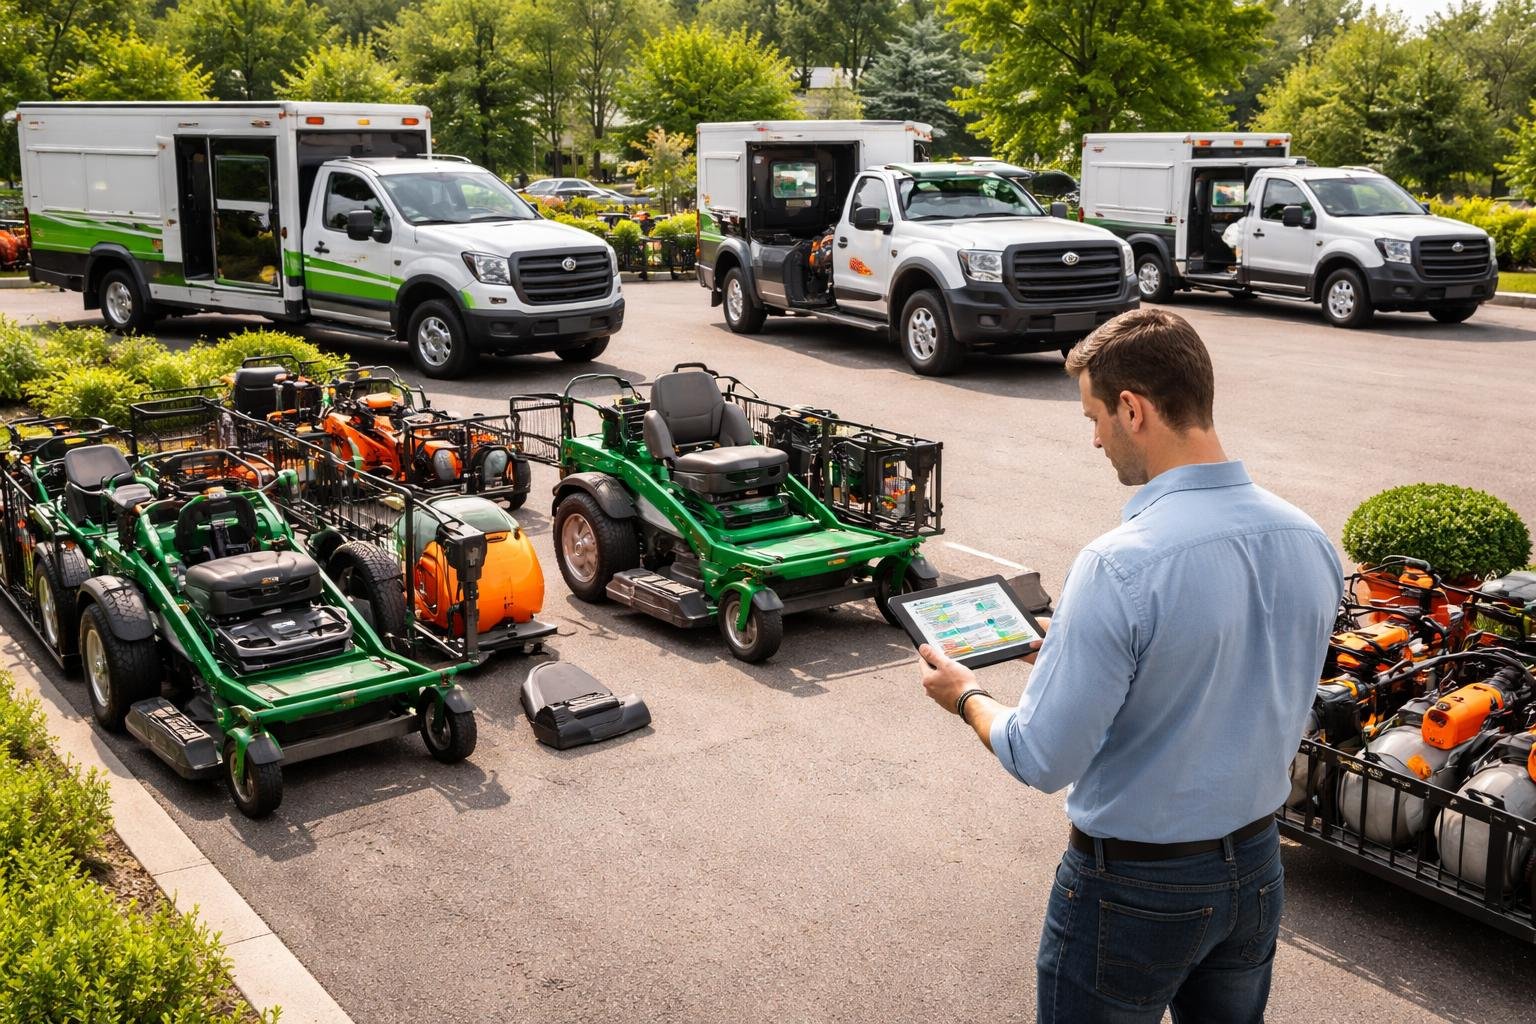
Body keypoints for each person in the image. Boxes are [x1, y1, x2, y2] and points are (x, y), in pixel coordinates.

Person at [918, 308, 1342, 1023]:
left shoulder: (1121, 565)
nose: (1094, 438)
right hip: (1258, 870)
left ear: (1132, 408)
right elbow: (1237, 669)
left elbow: (1040, 756)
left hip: (1137, 888)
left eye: (1094, 417)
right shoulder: (1309, 538)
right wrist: (1086, 652)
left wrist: (965, 695)